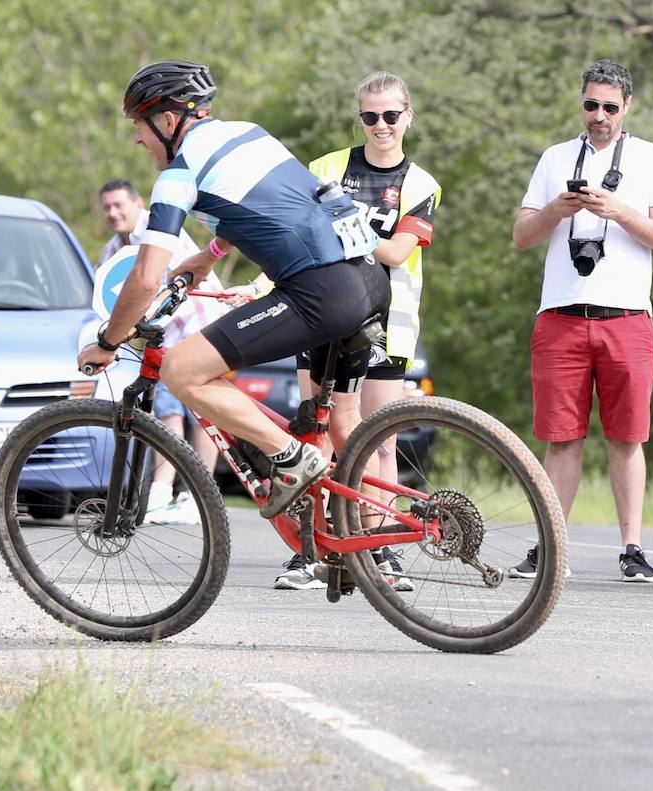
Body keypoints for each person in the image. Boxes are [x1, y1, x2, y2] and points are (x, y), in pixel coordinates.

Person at [77, 61, 390, 532]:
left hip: (320, 291)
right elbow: (282, 206)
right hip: (369, 277)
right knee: (342, 424)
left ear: (166, 121)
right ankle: (375, 551)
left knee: (183, 369)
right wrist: (211, 253)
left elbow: (144, 278)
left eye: (139, 126)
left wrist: (107, 340)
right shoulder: (248, 133)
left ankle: (289, 457)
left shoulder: (178, 175)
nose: (138, 140)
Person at [511, 59, 653, 583]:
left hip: (627, 317)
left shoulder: (652, 159)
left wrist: (619, 211)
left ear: (627, 107)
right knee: (562, 438)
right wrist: (557, 211)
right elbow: (522, 236)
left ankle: (632, 548)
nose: (599, 115)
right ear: (580, 104)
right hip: (561, 315)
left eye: (609, 106)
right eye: (591, 105)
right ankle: (550, 546)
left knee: (627, 438)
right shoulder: (555, 158)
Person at [277, 71, 441, 591]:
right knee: (313, 435)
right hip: (319, 312)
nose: (381, 125)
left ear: (408, 116)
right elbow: (299, 229)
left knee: (381, 443)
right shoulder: (325, 166)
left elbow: (396, 253)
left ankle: (381, 549)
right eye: (370, 116)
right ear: (360, 118)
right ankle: (311, 549)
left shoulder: (420, 183)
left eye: (391, 115)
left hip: (385, 324)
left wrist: (340, 224)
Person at [95, 178, 229, 524]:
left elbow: (148, 282)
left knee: (200, 409)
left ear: (137, 203)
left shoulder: (153, 230)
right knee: (165, 407)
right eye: (107, 207)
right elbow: (110, 299)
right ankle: (163, 490)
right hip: (164, 331)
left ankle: (194, 494)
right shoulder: (114, 249)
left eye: (118, 205)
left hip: (198, 320)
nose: (112, 213)